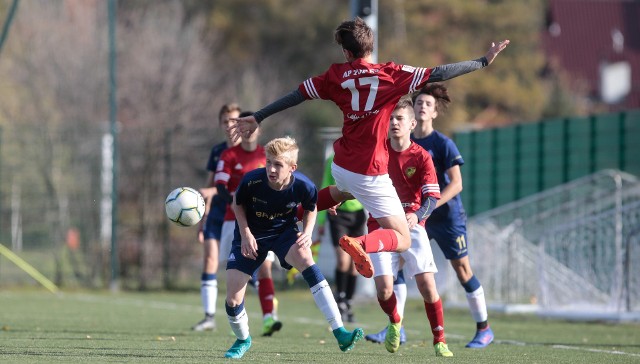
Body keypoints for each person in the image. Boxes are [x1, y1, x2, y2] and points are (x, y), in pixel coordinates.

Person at [229, 17, 509, 279]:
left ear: (347, 53)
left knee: (341, 191)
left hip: (342, 164)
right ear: (370, 47)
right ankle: (360, 242)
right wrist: (483, 61)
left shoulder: (335, 75)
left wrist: (259, 116)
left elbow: (297, 95)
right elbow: (441, 73)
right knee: (402, 239)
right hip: (370, 171)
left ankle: (290, 212)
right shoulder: (392, 74)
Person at [223, 136, 364, 359]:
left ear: (292, 168)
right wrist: (245, 233)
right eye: (269, 162)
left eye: (278, 164)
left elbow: (311, 208)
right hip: (251, 235)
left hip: (283, 233)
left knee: (308, 261)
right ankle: (243, 339)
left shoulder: (304, 185)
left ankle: (340, 332)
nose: (271, 169)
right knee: (232, 300)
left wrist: (307, 233)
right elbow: (237, 204)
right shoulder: (252, 181)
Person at [366, 99, 453, 356]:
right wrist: (340, 197)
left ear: (412, 124)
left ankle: (440, 340)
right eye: (391, 119)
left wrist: (417, 216)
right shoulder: (377, 153)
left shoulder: (421, 156)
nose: (394, 123)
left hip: (411, 227)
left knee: (427, 286)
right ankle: (395, 322)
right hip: (380, 224)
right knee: (383, 289)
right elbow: (361, 183)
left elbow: (432, 197)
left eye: (399, 119)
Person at [411, 83, 494, 348]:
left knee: (462, 270)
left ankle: (484, 329)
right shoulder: (405, 142)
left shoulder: (443, 144)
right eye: (419, 103)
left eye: (427, 104)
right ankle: (395, 328)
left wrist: (431, 205)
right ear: (412, 109)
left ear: (435, 112)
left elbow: (456, 183)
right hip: (418, 217)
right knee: (397, 263)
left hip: (447, 217)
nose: (422, 107)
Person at [214, 113, 283, 337]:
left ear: (259, 129)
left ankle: (268, 318)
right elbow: (221, 185)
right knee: (235, 275)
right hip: (232, 220)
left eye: (251, 125)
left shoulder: (268, 156)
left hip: (263, 222)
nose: (248, 130)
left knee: (265, 268)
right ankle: (257, 301)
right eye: (242, 126)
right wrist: (237, 203)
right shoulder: (229, 154)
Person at [192, 103, 241, 332]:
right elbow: (210, 186)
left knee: (251, 265)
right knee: (210, 259)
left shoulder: (249, 152)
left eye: (234, 120)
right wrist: (201, 217)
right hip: (217, 213)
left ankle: (268, 310)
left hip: (240, 214)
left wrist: (212, 192)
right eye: (225, 121)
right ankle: (209, 316)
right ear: (220, 124)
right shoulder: (217, 151)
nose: (230, 125)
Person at [316, 153, 367, 323]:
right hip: (337, 214)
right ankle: (341, 299)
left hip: (358, 216)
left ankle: (348, 302)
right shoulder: (334, 158)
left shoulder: (363, 157)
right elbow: (325, 185)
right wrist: (322, 220)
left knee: (356, 263)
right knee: (343, 261)